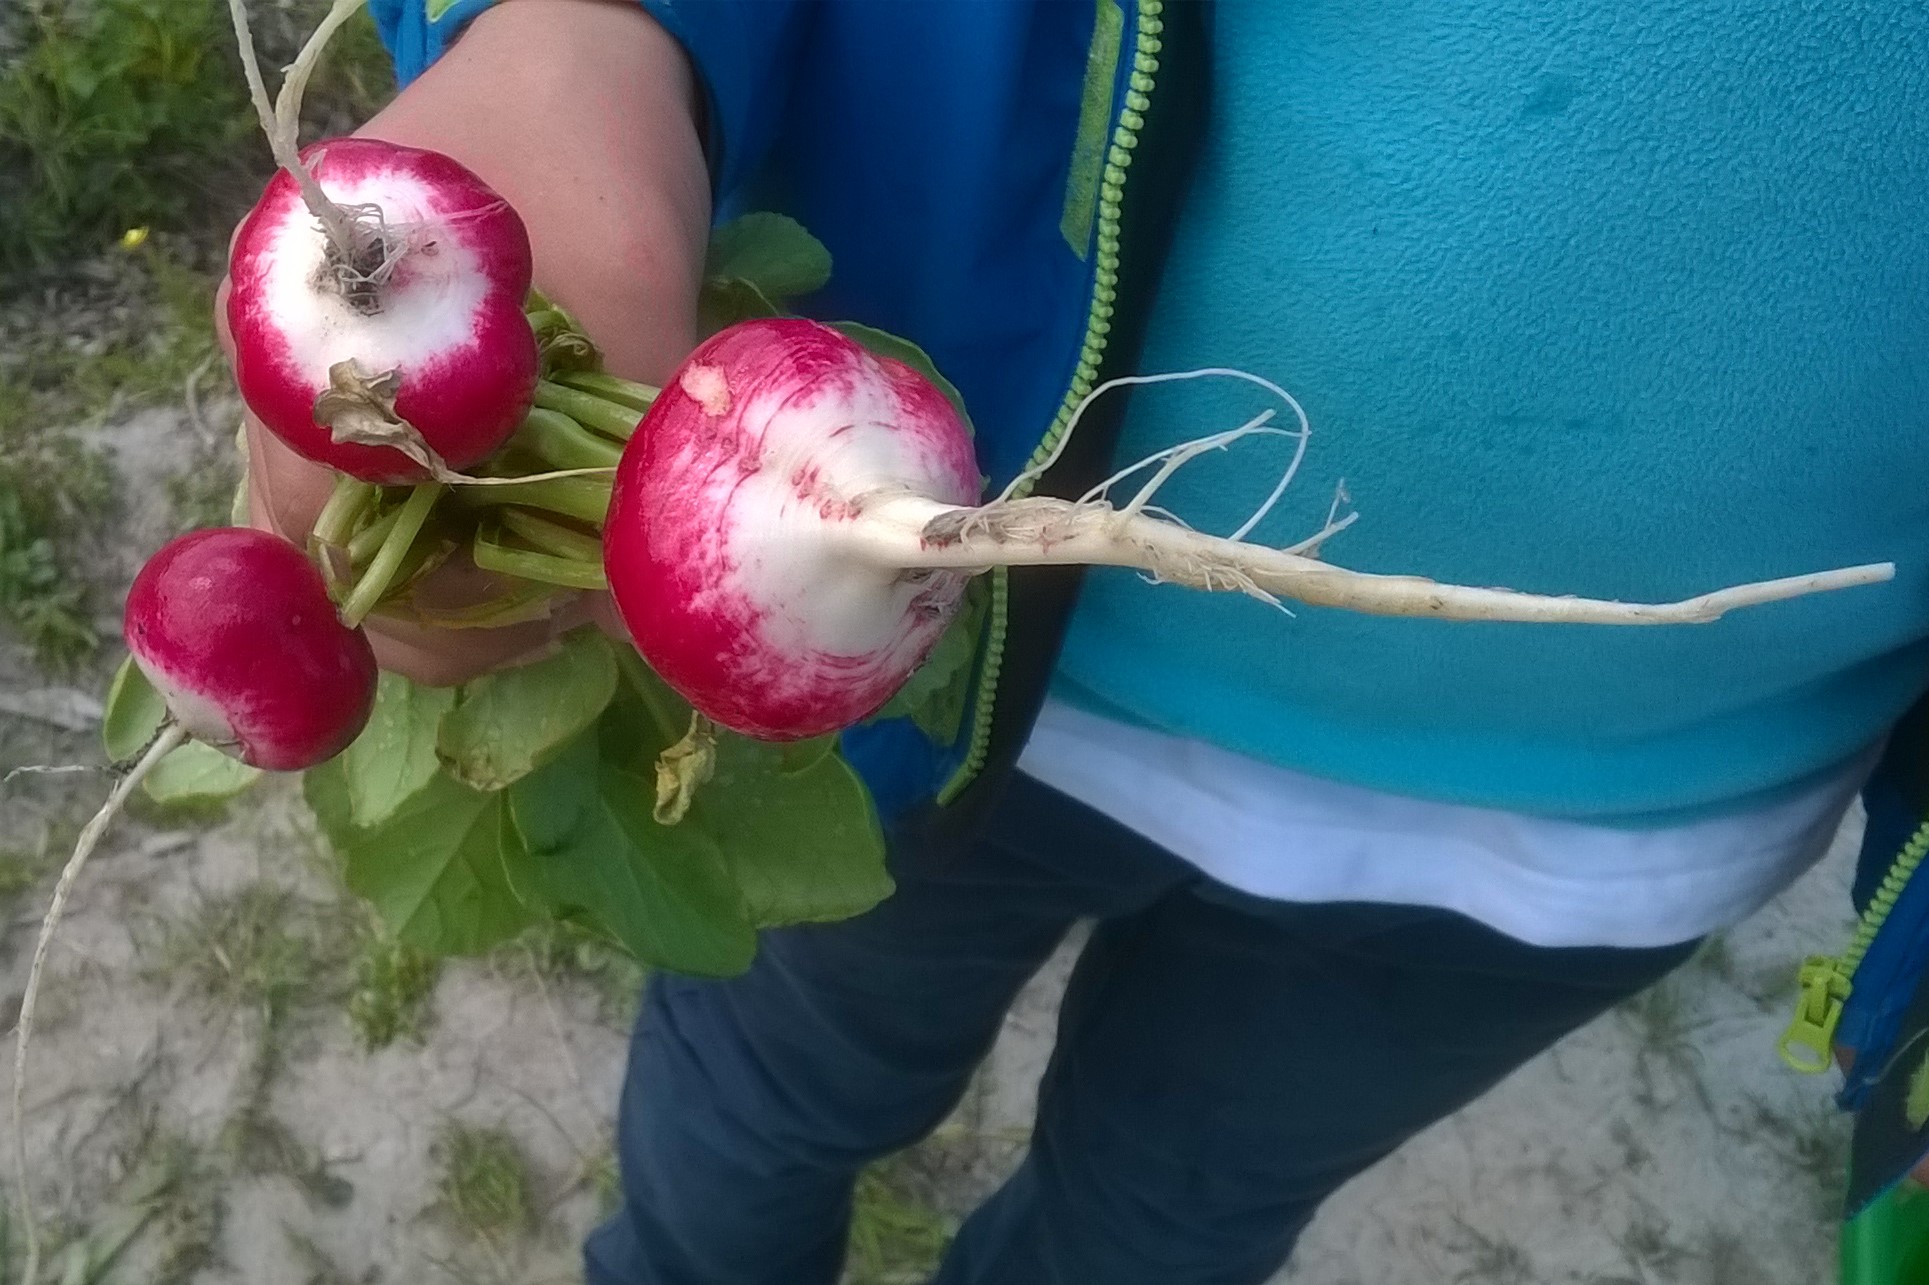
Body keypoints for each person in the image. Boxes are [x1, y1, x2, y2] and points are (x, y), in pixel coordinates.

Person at [231, 1, 1929, 1281]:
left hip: (1597, 830)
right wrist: (587, 32)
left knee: (1167, 1214)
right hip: (966, 709)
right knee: (765, 1088)